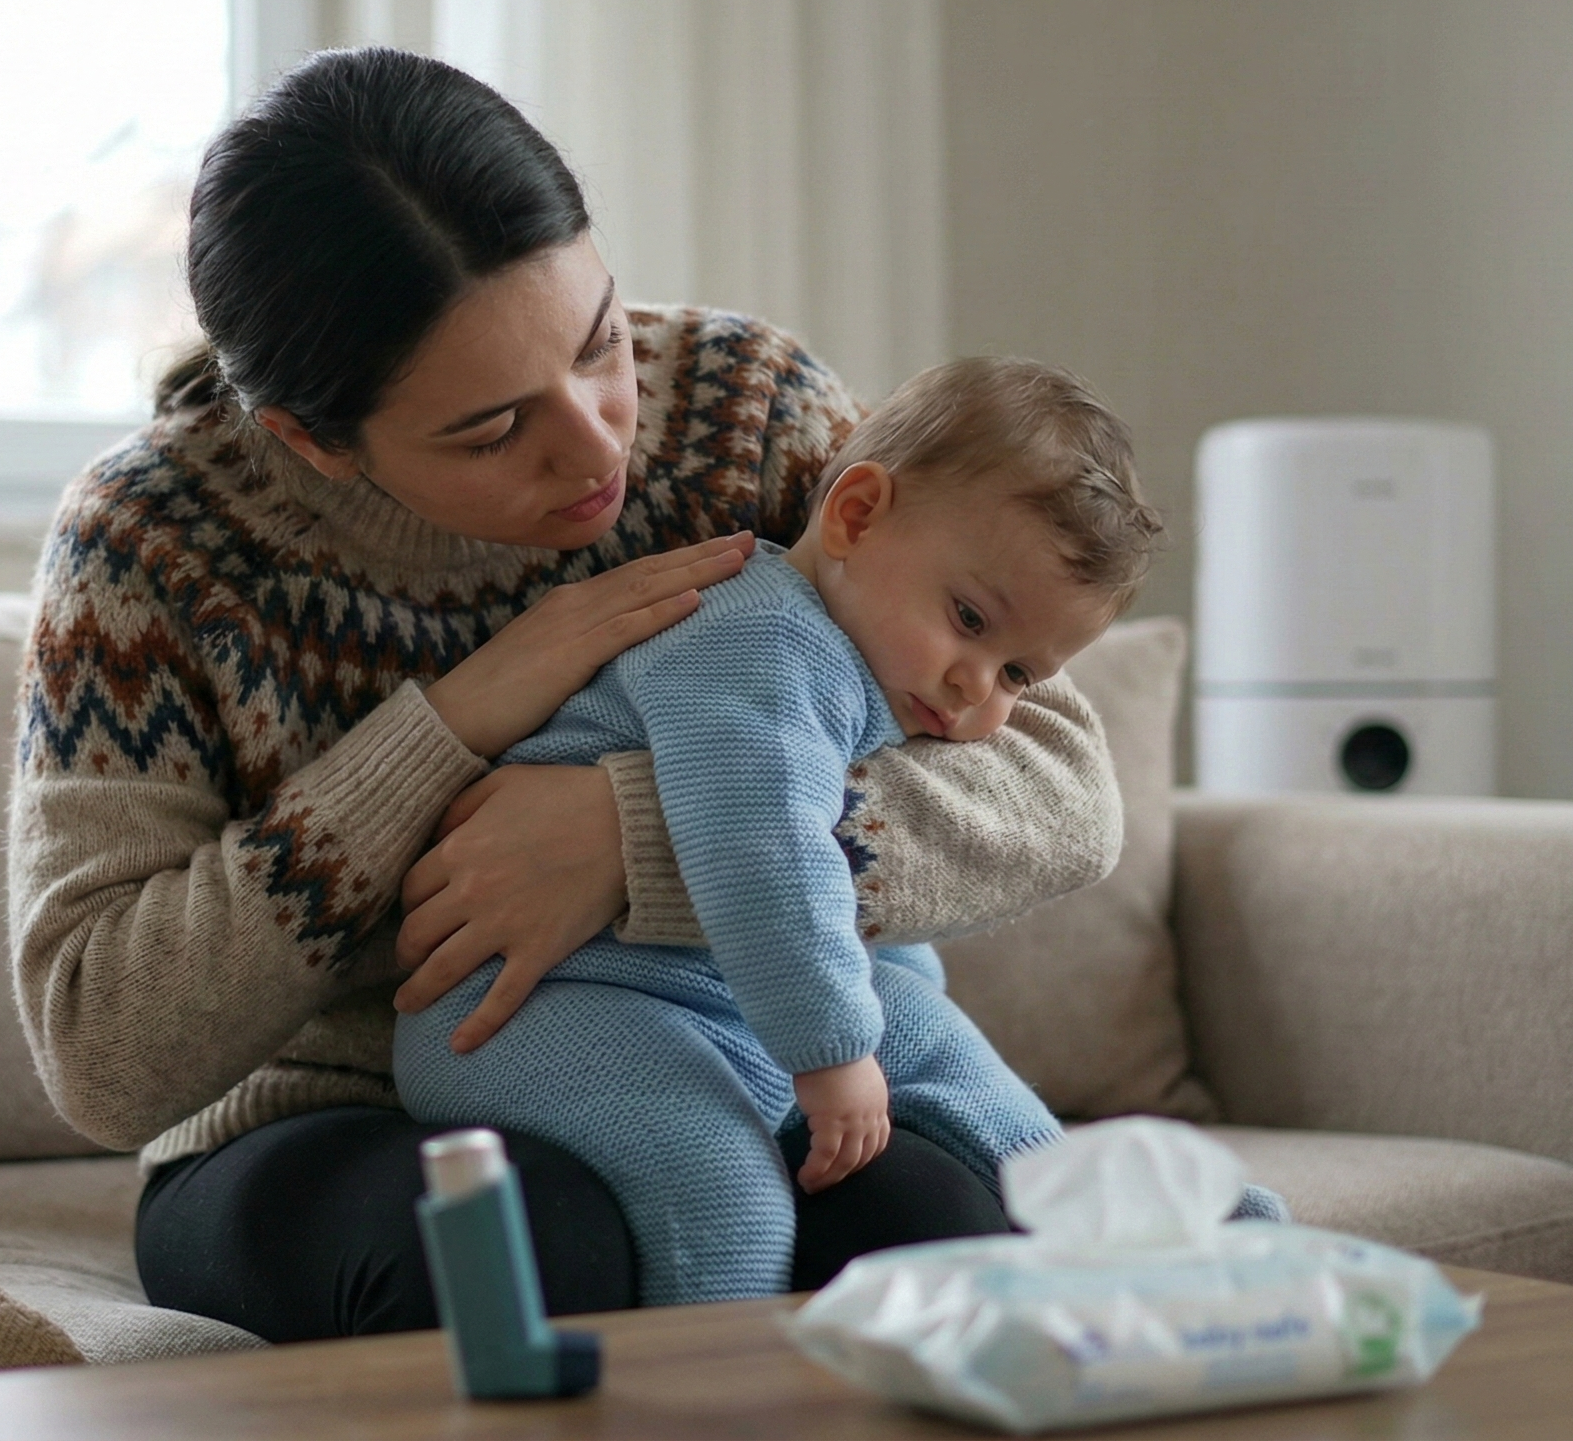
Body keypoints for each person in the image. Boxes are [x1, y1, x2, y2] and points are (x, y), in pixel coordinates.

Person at [9, 47, 1127, 1344]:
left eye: (600, 343)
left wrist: (637, 840)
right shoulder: (149, 543)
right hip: (319, 1120)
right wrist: (453, 726)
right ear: (312, 438)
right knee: (518, 1256)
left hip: (715, 1045)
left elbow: (1059, 787)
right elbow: (98, 1048)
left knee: (931, 1233)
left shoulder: (745, 409)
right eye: (493, 429)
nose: (600, 441)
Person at [394, 358, 1286, 1305]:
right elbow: (767, 856)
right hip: (539, 1005)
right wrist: (834, 1048)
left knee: (953, 1059)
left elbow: (902, 889)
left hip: (704, 992)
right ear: (856, 517)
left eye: (1019, 674)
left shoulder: (877, 660)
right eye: (969, 620)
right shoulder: (760, 638)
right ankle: (720, 1380)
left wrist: (880, 1013)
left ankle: (1159, 1228)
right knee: (725, 1196)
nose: (975, 687)